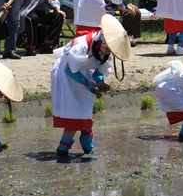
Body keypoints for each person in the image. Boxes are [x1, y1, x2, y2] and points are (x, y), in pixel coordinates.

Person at [50, 15, 132, 159]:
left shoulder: (106, 50)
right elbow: (70, 68)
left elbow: (99, 71)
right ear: (101, 41)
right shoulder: (82, 45)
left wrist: (99, 82)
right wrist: (88, 84)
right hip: (65, 74)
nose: (109, 53)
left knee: (84, 110)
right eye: (108, 49)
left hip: (82, 73)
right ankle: (64, 148)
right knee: (75, 113)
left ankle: (77, 139)